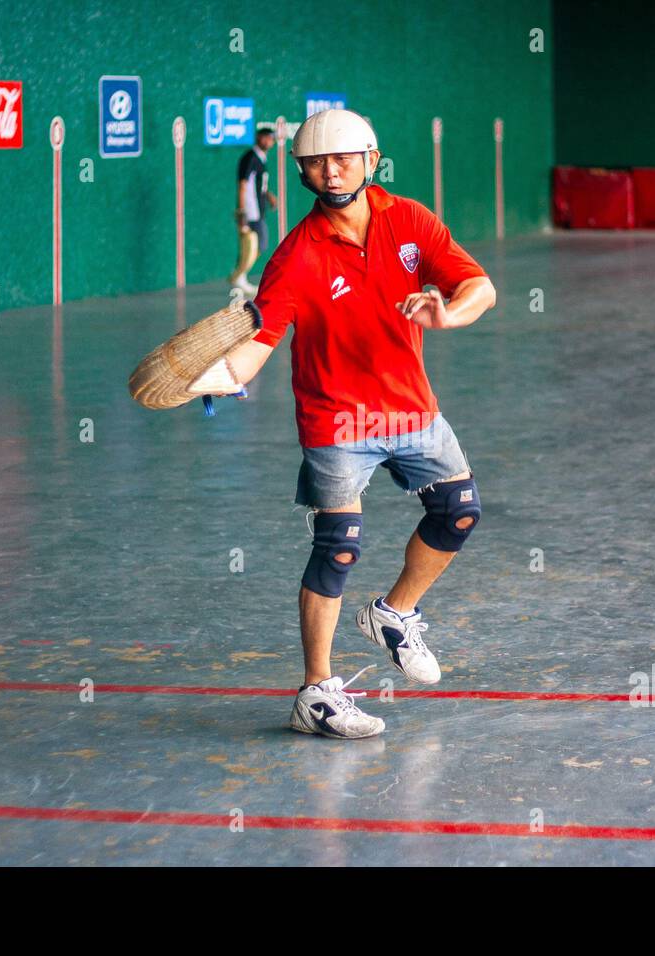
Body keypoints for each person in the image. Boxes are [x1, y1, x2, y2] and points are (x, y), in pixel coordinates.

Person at [215, 108, 497, 739]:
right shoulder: (294, 256)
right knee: (338, 545)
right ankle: (315, 695)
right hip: (336, 417)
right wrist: (231, 374)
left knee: (459, 511)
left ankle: (394, 614)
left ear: (373, 160)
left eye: (343, 157)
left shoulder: (411, 221)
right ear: (302, 172)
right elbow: (262, 337)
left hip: (410, 407)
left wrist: (449, 313)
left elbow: (479, 284)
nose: (331, 169)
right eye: (316, 161)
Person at [228, 122, 278, 296]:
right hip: (250, 210)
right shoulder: (249, 157)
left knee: (257, 245)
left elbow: (257, 185)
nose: (270, 141)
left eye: (272, 139)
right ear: (259, 138)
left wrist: (268, 195)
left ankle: (239, 275)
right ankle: (239, 276)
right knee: (257, 244)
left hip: (258, 209)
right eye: (267, 138)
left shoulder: (261, 158)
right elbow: (243, 185)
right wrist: (242, 211)